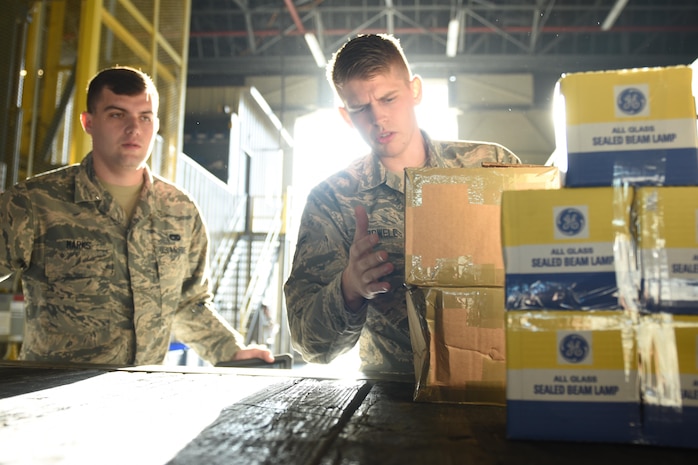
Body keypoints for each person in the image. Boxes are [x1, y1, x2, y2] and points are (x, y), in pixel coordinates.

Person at [0, 66, 273, 366]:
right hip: (50, 398)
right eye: (117, 115)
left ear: (156, 124)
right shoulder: (35, 202)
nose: (134, 129)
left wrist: (230, 351)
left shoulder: (180, 211)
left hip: (141, 397)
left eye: (145, 117)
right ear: (88, 122)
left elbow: (188, 302)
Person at [283, 34, 520, 375]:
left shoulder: (490, 166)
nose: (378, 118)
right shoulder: (332, 201)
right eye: (360, 108)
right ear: (345, 115)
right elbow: (310, 344)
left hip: (494, 379)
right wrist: (350, 287)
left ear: (416, 91)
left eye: (388, 98)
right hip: (392, 395)